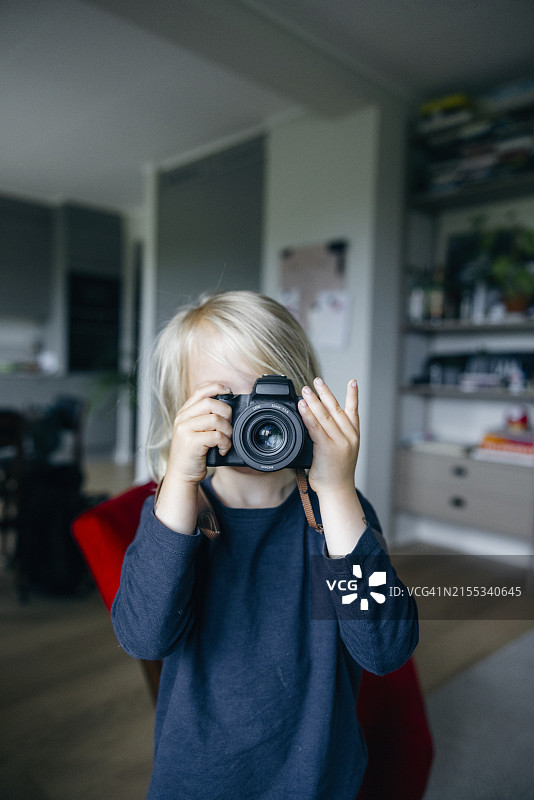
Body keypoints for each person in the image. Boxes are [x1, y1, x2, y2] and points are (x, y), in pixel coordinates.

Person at [111, 290, 418, 800]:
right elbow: (144, 638)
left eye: (268, 393)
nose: (256, 420)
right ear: (181, 413)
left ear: (307, 400)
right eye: (223, 400)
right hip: (198, 778)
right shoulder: (177, 515)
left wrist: (338, 491)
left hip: (318, 777)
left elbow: (384, 651)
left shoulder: (340, 513)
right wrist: (180, 484)